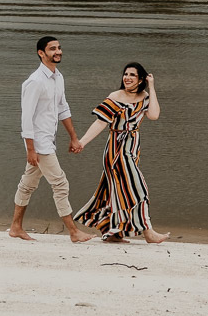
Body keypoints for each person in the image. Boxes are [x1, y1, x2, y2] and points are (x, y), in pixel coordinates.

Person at [9, 36, 95, 243]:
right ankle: (74, 232)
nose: (58, 51)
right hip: (39, 144)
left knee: (28, 184)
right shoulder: (34, 82)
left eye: (59, 48)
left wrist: (74, 138)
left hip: (48, 140)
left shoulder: (58, 77)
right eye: (52, 49)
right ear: (41, 53)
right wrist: (30, 149)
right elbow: (26, 118)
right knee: (60, 184)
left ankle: (15, 227)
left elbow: (62, 108)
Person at [73, 62, 170, 243]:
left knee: (118, 193)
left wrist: (152, 86)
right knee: (138, 188)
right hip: (117, 150)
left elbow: (154, 115)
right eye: (126, 74)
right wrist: (82, 142)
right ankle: (148, 232)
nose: (127, 77)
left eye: (132, 75)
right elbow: (100, 123)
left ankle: (114, 233)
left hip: (133, 147)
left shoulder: (144, 96)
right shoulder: (115, 97)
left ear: (140, 79)